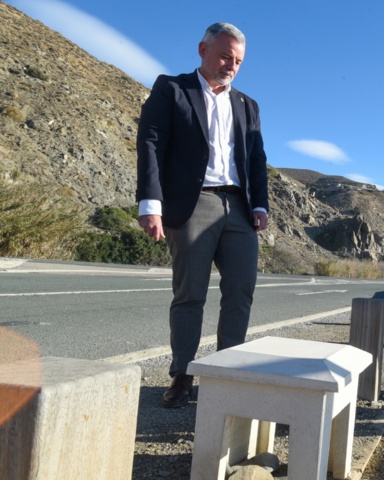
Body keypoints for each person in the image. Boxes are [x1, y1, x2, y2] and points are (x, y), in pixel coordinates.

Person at [136, 22, 269, 408]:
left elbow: (257, 159)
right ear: (203, 50)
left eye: (238, 61)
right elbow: (150, 144)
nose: (231, 65)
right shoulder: (172, 89)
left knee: (241, 291)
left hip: (239, 208)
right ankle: (182, 375)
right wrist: (151, 205)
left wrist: (259, 204)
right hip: (194, 204)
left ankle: (229, 374)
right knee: (190, 294)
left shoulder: (247, 105)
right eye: (225, 55)